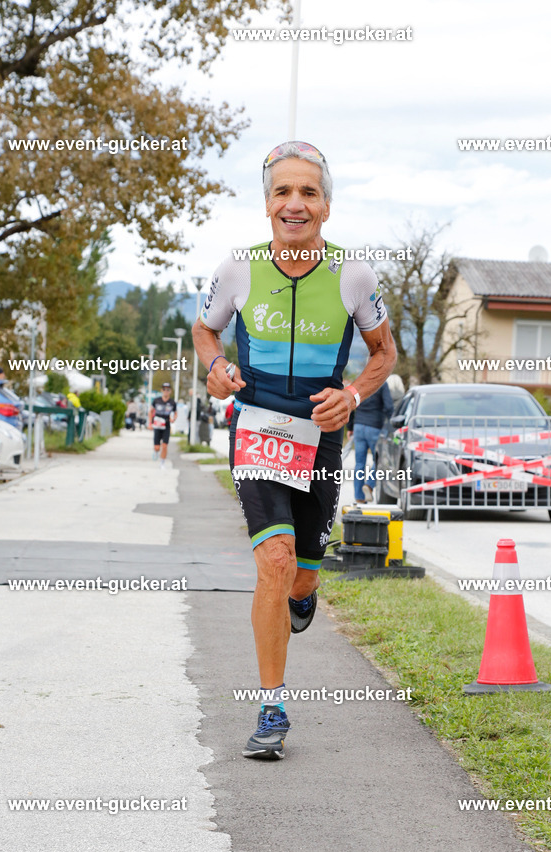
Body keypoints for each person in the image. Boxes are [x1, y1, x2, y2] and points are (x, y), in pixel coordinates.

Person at [192, 139, 397, 760]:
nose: (295, 203)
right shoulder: (237, 270)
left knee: (302, 572)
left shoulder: (354, 275)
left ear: (326, 208)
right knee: (273, 562)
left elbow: (385, 353)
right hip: (256, 431)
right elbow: (205, 330)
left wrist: (355, 396)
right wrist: (218, 366)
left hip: (320, 439)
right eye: (283, 191)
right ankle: (272, 708)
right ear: (266, 204)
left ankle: (305, 596)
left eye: (308, 192)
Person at [346, 380, 393, 502]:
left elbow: (350, 403)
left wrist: (350, 427)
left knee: (359, 464)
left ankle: (359, 497)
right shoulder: (382, 383)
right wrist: (392, 425)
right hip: (375, 427)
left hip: (359, 427)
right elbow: (389, 407)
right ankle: (369, 485)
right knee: (380, 460)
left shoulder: (359, 381)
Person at [150, 382, 177, 468]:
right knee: (157, 447)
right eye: (164, 389)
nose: (166, 391)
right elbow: (150, 412)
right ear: (161, 390)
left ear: (170, 391)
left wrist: (173, 419)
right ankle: (156, 451)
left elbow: (176, 413)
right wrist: (150, 423)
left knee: (165, 446)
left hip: (166, 425)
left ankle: (162, 462)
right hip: (157, 425)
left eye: (167, 390)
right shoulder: (156, 400)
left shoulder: (172, 402)